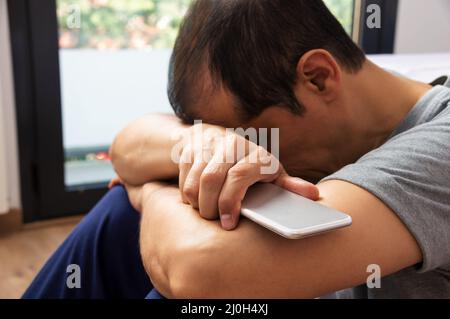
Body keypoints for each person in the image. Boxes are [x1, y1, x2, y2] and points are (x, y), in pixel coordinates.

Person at [24, 0, 450, 299]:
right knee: (121, 213)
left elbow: (201, 274)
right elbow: (128, 145)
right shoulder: (342, 114)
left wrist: (150, 190)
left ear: (318, 77)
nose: (237, 155)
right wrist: (194, 142)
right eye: (225, 139)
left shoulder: (440, 145)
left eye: (250, 137)